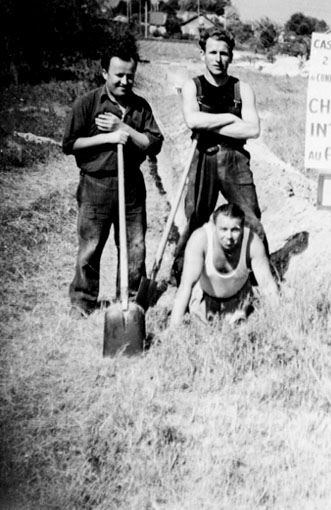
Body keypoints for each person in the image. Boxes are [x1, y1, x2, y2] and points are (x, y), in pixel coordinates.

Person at [63, 44, 164, 317]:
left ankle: (130, 300)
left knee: (135, 246)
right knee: (91, 245)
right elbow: (70, 144)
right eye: (119, 74)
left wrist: (124, 129)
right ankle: (82, 301)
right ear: (104, 71)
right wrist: (106, 138)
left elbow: (153, 144)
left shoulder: (140, 107)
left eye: (130, 75)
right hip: (96, 184)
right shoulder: (87, 103)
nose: (124, 81)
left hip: (131, 185)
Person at [171, 28, 267, 283]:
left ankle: (259, 275)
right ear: (202, 54)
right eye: (212, 52)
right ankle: (182, 272)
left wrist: (208, 122)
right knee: (196, 217)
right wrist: (228, 118)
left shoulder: (242, 89)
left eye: (224, 53)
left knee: (250, 215)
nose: (218, 58)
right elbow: (192, 120)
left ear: (231, 57)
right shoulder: (193, 86)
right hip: (203, 156)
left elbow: (253, 129)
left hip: (235, 159)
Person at [169, 203, 278, 327]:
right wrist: (174, 331)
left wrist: (277, 322)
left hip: (239, 298)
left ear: (243, 228)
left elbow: (268, 285)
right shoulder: (200, 239)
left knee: (241, 334)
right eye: (223, 229)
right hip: (205, 299)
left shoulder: (252, 243)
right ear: (214, 227)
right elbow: (185, 287)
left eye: (235, 230)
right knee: (205, 337)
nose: (229, 236)